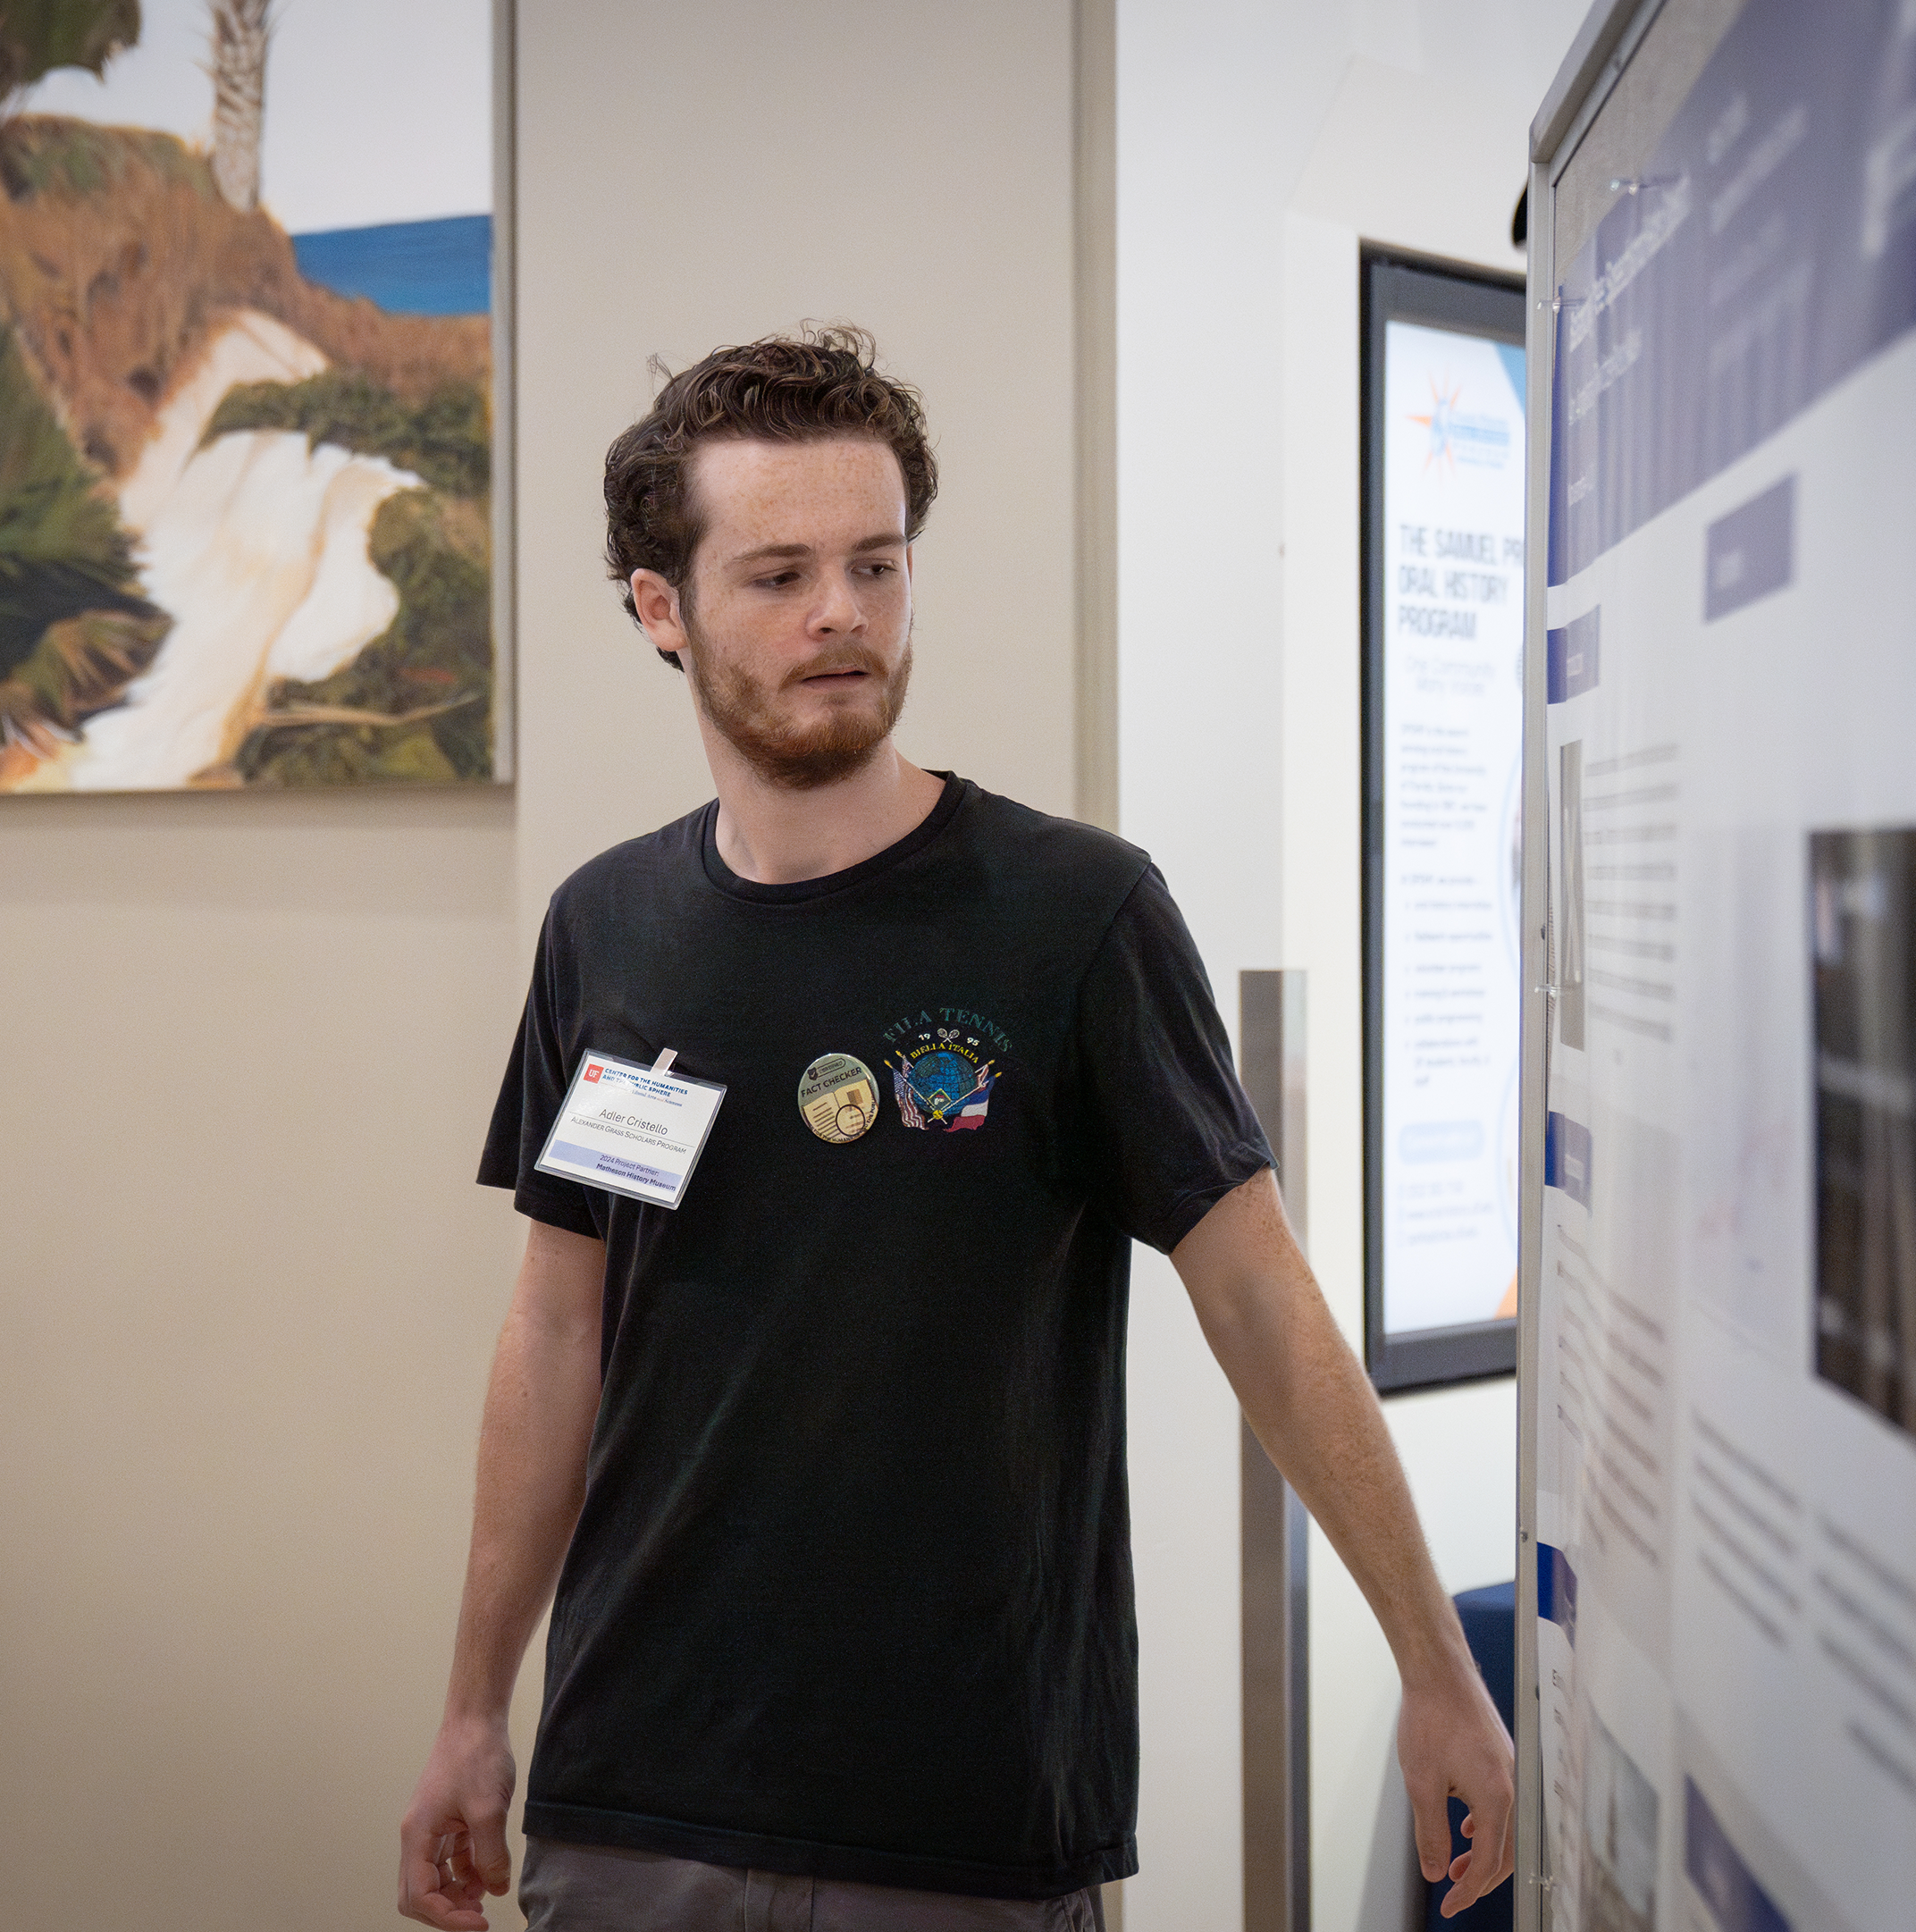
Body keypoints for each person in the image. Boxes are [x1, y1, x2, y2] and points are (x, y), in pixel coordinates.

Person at [398, 327, 1514, 1931]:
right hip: (635, 1796)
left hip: (963, 1821)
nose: (839, 611)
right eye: (776, 572)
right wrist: (469, 1707)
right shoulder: (606, 929)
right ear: (661, 609)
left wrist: (1432, 1660)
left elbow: (1260, 1299)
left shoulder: (1073, 914)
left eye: (874, 563)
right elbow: (556, 1330)